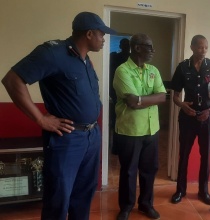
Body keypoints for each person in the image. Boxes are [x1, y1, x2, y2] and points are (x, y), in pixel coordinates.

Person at [1, 12, 116, 220]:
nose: (103, 39)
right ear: (89, 34)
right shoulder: (53, 53)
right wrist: (40, 119)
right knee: (58, 198)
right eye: (101, 34)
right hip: (68, 139)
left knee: (84, 194)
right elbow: (12, 80)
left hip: (91, 137)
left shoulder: (85, 61)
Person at [113, 33, 166, 220]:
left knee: (149, 169)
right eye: (149, 46)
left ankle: (145, 204)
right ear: (137, 48)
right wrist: (149, 99)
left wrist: (141, 99)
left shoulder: (153, 70)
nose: (153, 51)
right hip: (130, 130)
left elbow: (162, 96)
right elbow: (131, 103)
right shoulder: (122, 71)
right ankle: (126, 207)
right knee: (129, 171)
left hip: (152, 129)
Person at [170, 35, 210, 205]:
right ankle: (180, 190)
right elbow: (176, 96)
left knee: (205, 156)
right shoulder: (182, 67)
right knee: (184, 154)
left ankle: (203, 191)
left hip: (207, 118)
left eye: (206, 47)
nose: (203, 51)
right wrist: (182, 106)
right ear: (192, 47)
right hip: (187, 118)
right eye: (200, 47)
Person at [109, 38, 130, 154]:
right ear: (121, 46)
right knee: (116, 121)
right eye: (124, 44)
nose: (126, 47)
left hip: (130, 95)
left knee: (127, 121)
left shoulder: (133, 58)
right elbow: (110, 75)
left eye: (127, 45)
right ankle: (116, 148)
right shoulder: (114, 57)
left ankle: (123, 147)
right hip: (115, 93)